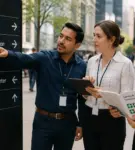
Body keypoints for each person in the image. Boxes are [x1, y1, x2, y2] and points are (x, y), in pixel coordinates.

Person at [0, 22, 86, 150]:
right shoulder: (45, 58)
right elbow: (23, 58)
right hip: (43, 123)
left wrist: (80, 124)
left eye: (68, 39)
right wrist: (7, 54)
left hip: (67, 124)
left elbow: (82, 97)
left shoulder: (82, 66)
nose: (61, 41)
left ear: (77, 45)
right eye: (61, 36)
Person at [81, 20, 135, 150]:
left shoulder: (125, 63)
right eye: (94, 35)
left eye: (98, 36)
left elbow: (126, 99)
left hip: (112, 120)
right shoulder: (92, 61)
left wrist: (117, 108)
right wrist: (86, 88)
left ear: (111, 39)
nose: (94, 39)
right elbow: (85, 96)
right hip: (90, 118)